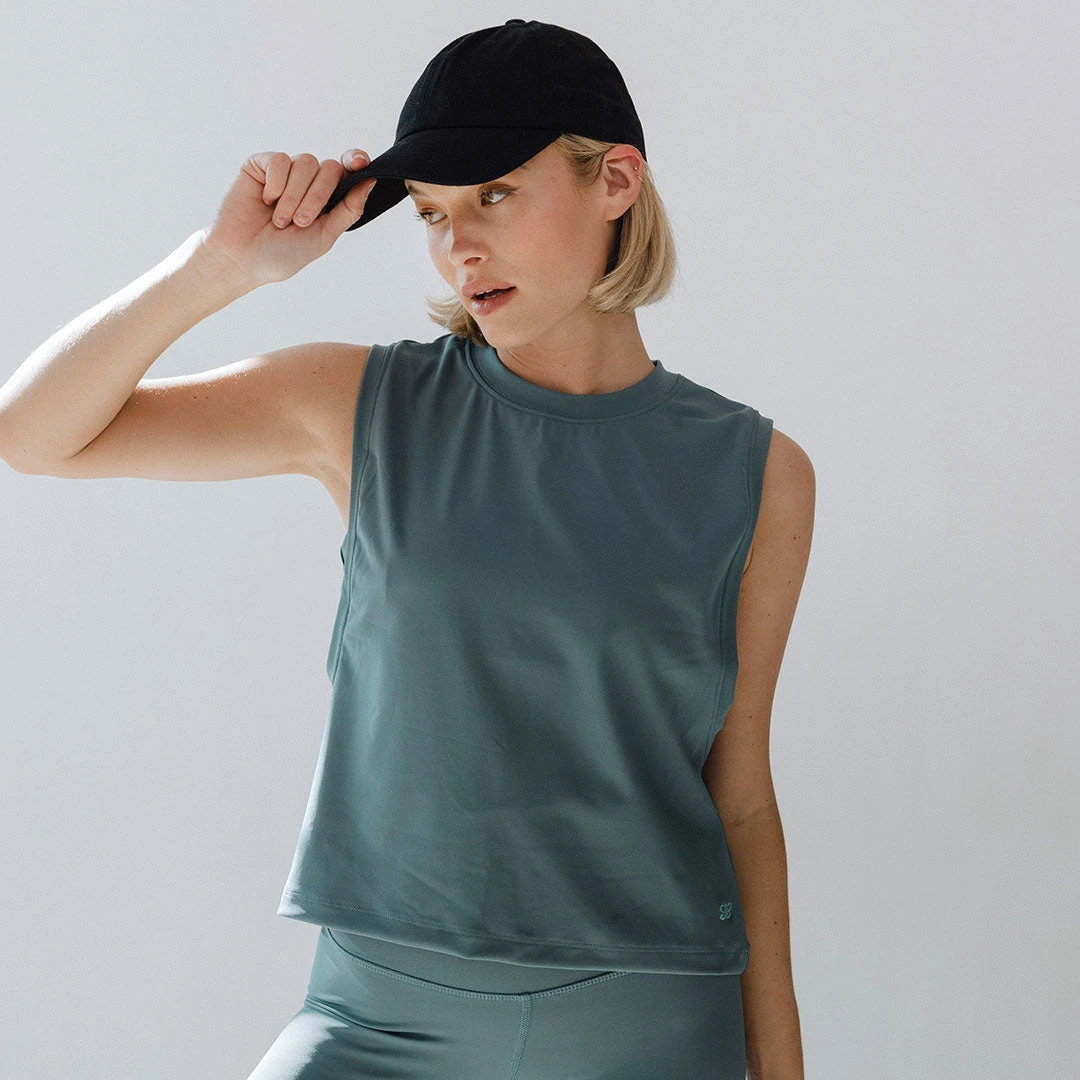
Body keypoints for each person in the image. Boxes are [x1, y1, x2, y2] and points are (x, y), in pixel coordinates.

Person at [0, 18, 813, 1080]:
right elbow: (34, 435)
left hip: (647, 1028)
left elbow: (738, 792)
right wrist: (221, 266)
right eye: (432, 212)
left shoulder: (756, 472)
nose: (457, 245)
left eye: (494, 196)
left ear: (616, 180)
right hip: (374, 1024)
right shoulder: (362, 405)